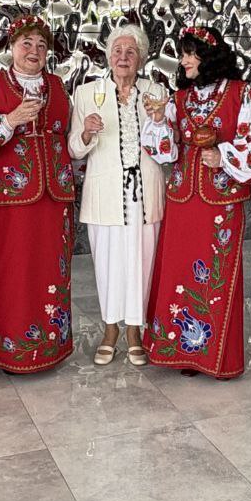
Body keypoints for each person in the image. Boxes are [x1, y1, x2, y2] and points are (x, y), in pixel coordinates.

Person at [140, 25, 251, 378]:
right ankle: (184, 351)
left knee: (216, 273)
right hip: (183, 199)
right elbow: (164, 152)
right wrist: (158, 122)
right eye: (182, 54)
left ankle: (215, 358)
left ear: (209, 56)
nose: (183, 60)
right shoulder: (179, 98)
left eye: (190, 53)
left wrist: (223, 155)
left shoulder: (241, 94)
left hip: (220, 200)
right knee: (180, 271)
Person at [0, 14, 77, 373]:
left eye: (42, 45)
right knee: (10, 270)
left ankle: (49, 348)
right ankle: (8, 350)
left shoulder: (57, 86)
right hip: (6, 197)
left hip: (53, 196)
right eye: (27, 43)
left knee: (50, 269)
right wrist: (11, 120)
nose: (35, 50)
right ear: (12, 47)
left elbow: (68, 137)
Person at [68, 24, 167, 367]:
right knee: (107, 263)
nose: (123, 57)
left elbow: (168, 146)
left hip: (145, 191)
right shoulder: (86, 93)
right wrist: (86, 132)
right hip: (104, 192)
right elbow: (74, 149)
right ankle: (110, 330)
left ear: (141, 58)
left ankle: (135, 332)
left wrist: (160, 121)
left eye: (131, 52)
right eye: (117, 51)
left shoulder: (156, 91)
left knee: (142, 260)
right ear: (108, 56)